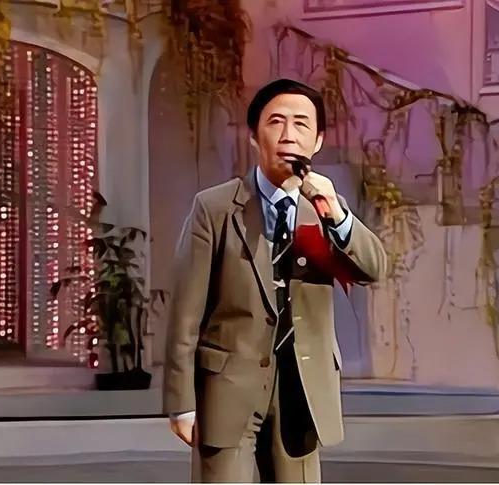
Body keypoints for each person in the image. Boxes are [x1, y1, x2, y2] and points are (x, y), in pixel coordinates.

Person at [164, 78, 386, 483]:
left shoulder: (326, 208)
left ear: (317, 140)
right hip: (228, 385)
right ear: (254, 136)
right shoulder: (215, 208)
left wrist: (337, 216)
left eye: (301, 124)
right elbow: (185, 312)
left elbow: (373, 268)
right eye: (276, 122)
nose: (288, 134)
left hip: (302, 389)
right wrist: (181, 402)